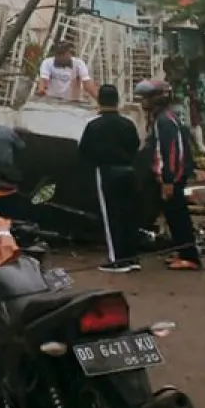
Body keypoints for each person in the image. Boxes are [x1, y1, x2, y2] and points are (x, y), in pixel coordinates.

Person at [136, 79, 202, 270]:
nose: (142, 103)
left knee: (178, 216)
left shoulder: (164, 122)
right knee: (174, 216)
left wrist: (168, 180)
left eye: (146, 98)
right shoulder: (163, 118)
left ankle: (190, 257)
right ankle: (184, 252)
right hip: (171, 178)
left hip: (171, 179)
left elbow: (171, 152)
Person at [79, 83, 142, 273]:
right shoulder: (128, 124)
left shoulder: (94, 125)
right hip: (128, 172)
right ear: (117, 101)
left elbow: (84, 152)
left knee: (111, 216)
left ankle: (117, 260)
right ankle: (132, 257)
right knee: (129, 215)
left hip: (106, 172)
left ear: (99, 101)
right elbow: (135, 146)